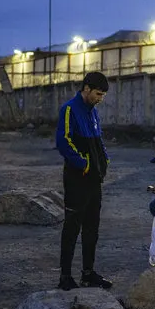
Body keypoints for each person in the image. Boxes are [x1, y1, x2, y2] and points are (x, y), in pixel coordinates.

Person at [55, 72, 112, 291]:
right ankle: (65, 277)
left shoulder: (94, 113)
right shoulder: (69, 109)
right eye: (98, 94)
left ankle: (88, 274)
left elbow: (98, 141)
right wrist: (85, 164)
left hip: (94, 181)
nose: (100, 98)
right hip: (77, 179)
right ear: (86, 89)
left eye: (103, 95)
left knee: (92, 228)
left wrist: (104, 161)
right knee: (72, 227)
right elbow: (64, 142)